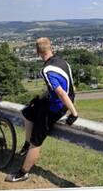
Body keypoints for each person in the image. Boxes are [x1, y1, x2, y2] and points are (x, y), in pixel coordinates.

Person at [5, 37, 78, 182]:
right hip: (58, 99)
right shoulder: (63, 62)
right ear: (51, 48)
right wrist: (41, 98)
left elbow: (62, 94)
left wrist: (74, 113)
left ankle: (23, 172)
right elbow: (69, 87)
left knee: (36, 141)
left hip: (57, 107)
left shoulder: (46, 70)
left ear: (38, 52)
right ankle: (26, 144)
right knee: (27, 112)